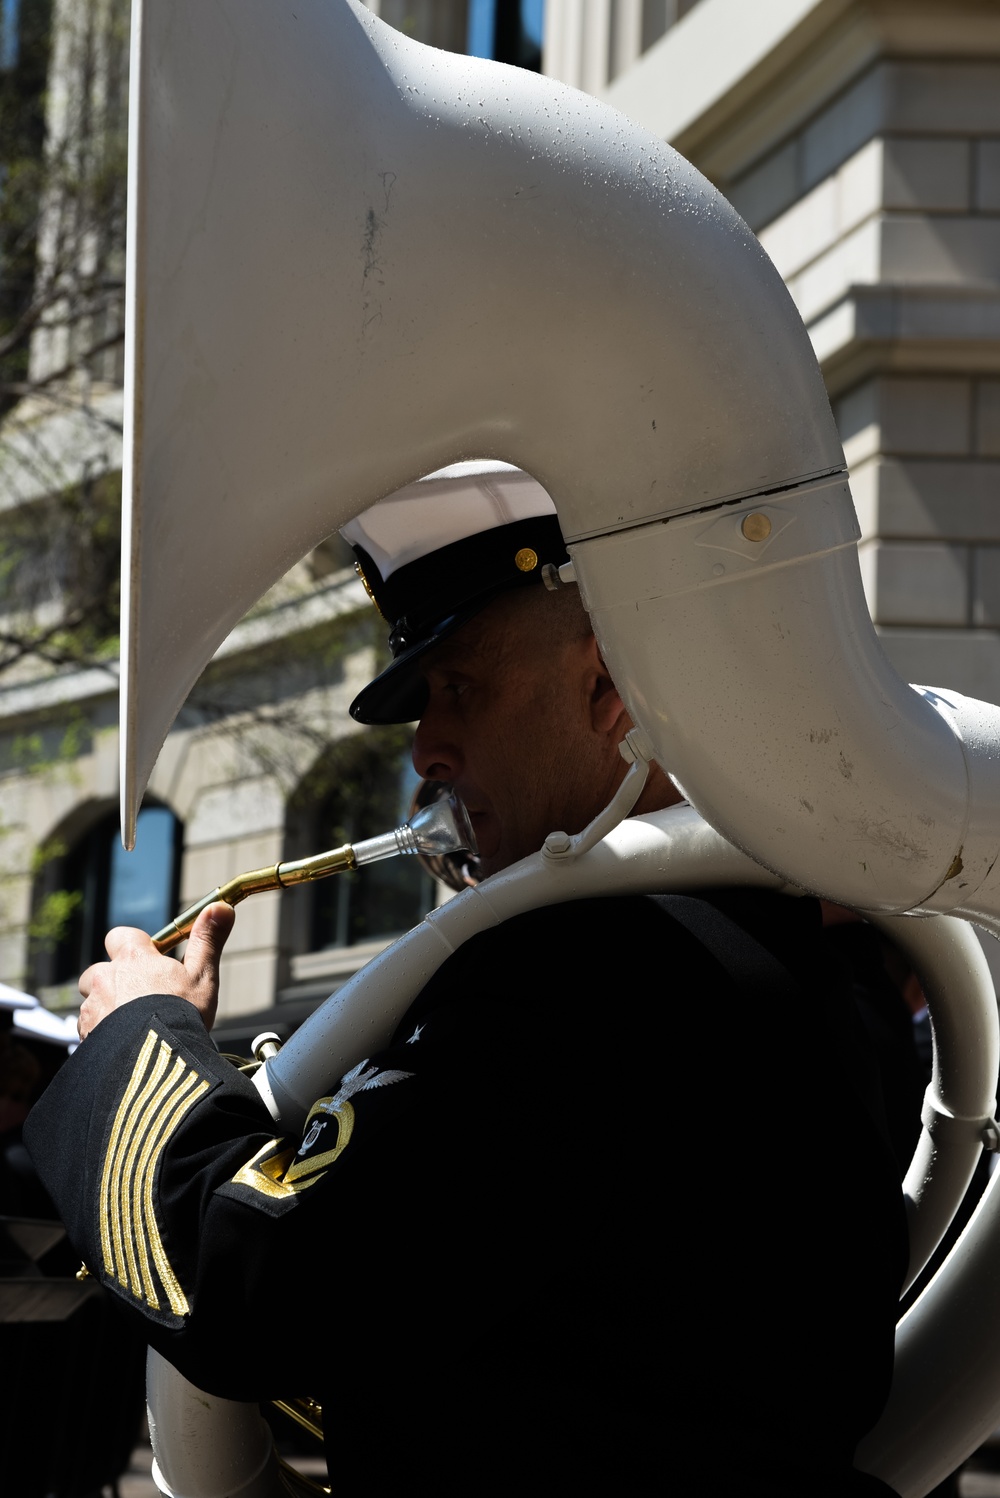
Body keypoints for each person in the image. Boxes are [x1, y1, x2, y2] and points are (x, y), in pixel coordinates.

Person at [25, 463, 906, 1496]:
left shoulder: (584, 974)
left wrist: (140, 1036)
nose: (424, 755)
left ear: (609, 682)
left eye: (460, 688)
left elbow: (244, 1286)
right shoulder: (793, 952)